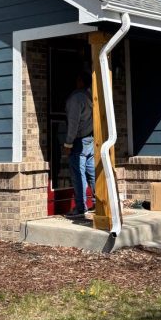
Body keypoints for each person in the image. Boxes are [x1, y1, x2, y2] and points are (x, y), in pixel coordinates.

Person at [64, 72, 95, 219]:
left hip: (79, 141)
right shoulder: (91, 96)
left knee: (78, 173)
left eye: (77, 79)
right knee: (92, 172)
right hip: (90, 139)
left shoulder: (76, 98)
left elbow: (73, 123)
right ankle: (98, 203)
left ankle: (81, 207)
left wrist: (68, 143)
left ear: (80, 81)